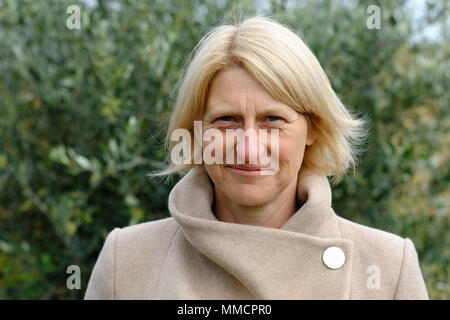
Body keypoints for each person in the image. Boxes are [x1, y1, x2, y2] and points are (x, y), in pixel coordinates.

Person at [84, 16, 428, 299]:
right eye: (227, 120)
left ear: (313, 128)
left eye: (272, 120)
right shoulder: (125, 261)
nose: (249, 149)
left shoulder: (388, 268)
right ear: (197, 131)